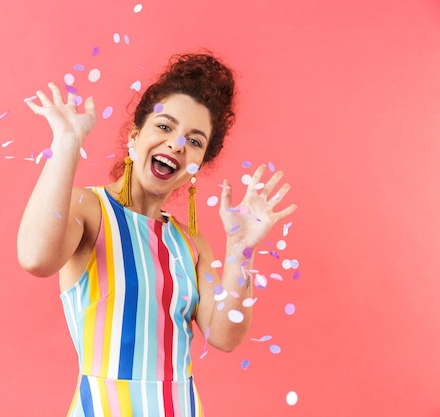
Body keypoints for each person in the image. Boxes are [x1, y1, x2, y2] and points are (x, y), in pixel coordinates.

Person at [17, 52, 297, 416]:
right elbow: (36, 258)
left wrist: (241, 249)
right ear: (136, 135)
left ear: (198, 165)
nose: (178, 144)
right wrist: (67, 142)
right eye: (165, 127)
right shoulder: (89, 209)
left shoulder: (192, 244)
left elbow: (225, 336)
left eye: (195, 141)